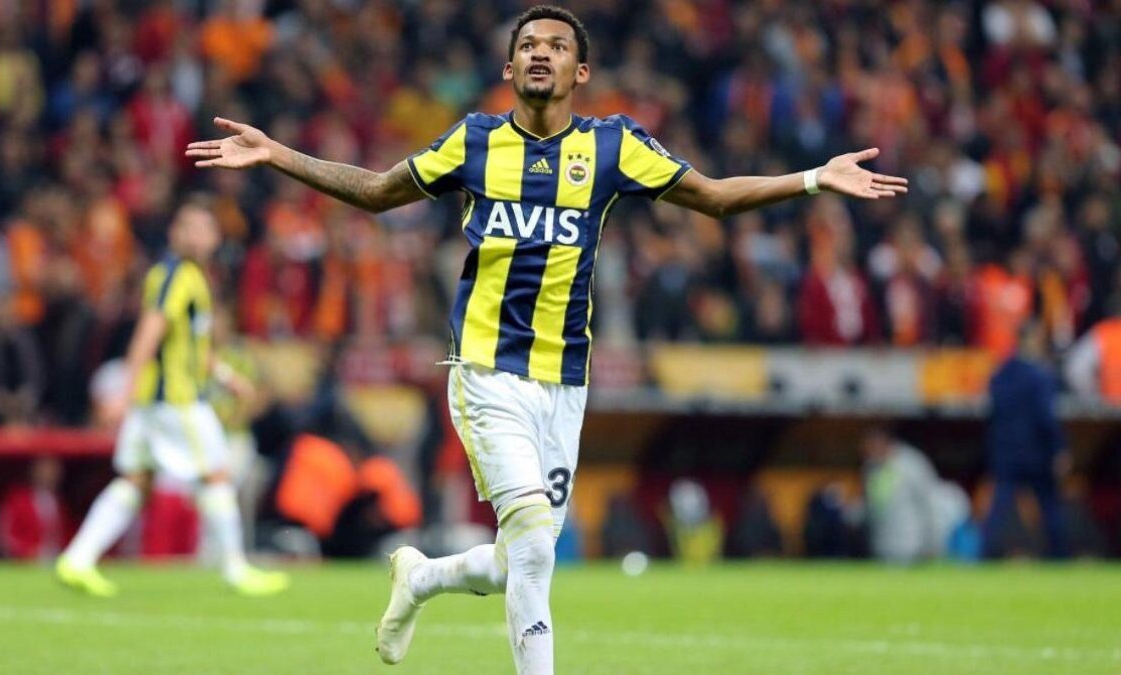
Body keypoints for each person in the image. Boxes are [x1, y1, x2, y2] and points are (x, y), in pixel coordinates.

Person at [186, 6, 907, 672]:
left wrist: (814, 178)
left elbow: (714, 196)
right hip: (486, 372)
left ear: (579, 71)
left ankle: (423, 576)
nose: (540, 53)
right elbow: (377, 191)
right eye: (528, 45)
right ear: (509, 67)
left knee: (520, 559)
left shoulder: (613, 146)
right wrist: (277, 154)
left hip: (564, 383)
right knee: (533, 540)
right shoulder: (474, 141)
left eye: (557, 46)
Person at [56, 198, 289, 597]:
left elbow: (192, 345)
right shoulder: (176, 275)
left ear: (215, 238)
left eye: (203, 229)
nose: (195, 236)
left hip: (154, 403)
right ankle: (236, 569)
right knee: (216, 474)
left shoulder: (191, 278)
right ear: (174, 234)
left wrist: (225, 375)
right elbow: (150, 332)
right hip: (177, 402)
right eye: (187, 228)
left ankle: (77, 559)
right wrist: (123, 392)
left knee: (137, 481)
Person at [983, 321, 1069, 558]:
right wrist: (1059, 448)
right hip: (1036, 453)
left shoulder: (1001, 374)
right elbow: (1046, 418)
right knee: (1049, 507)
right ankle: (1059, 557)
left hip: (1007, 452)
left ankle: (982, 554)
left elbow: (993, 415)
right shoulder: (1040, 376)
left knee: (999, 508)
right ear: (1031, 340)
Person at [860, 427, 969, 564]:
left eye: (873, 448)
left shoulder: (912, 464)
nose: (870, 454)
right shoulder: (871, 468)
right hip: (883, 544)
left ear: (884, 443)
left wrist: (932, 541)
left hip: (911, 543)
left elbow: (929, 503)